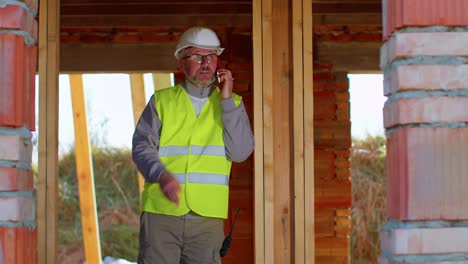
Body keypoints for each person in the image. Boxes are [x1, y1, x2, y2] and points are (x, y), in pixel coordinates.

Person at [132, 26, 254, 264]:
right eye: (198, 57)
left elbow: (240, 152)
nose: (206, 63)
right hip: (162, 213)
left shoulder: (232, 104)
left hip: (207, 218)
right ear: (181, 62)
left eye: (211, 57)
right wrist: (161, 175)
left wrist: (227, 100)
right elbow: (141, 147)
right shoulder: (162, 102)